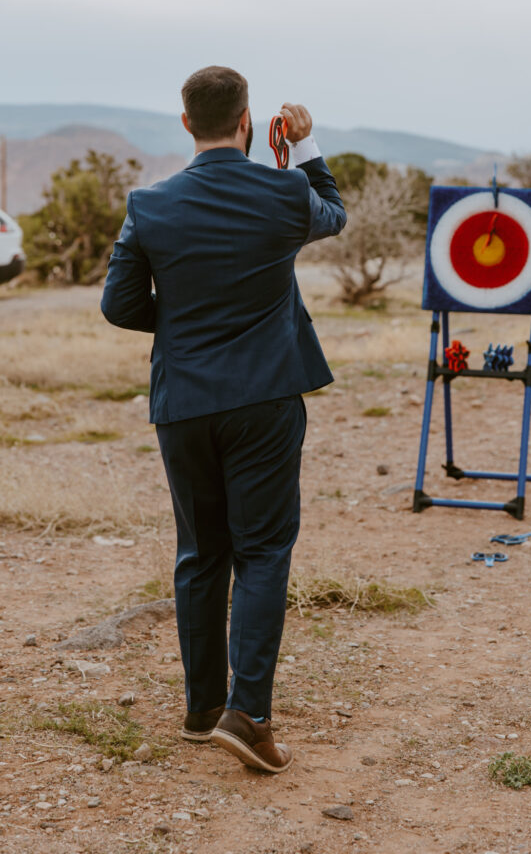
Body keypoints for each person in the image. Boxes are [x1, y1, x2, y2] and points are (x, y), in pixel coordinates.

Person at [101, 65, 346, 773]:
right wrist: (303, 147)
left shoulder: (149, 204)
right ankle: (252, 715)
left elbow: (120, 306)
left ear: (186, 124)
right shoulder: (285, 189)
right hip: (266, 402)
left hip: (183, 405)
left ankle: (203, 707)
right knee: (262, 553)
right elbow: (332, 211)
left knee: (199, 554)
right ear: (246, 120)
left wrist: (182, 331)